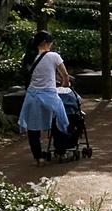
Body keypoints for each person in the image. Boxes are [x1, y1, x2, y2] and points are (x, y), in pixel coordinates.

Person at [17, 30, 71, 164]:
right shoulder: (54, 56)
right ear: (45, 43)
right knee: (59, 122)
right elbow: (65, 75)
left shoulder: (29, 57)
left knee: (33, 128)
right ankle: (60, 153)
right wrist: (65, 86)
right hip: (49, 96)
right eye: (51, 43)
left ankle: (39, 157)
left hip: (32, 97)